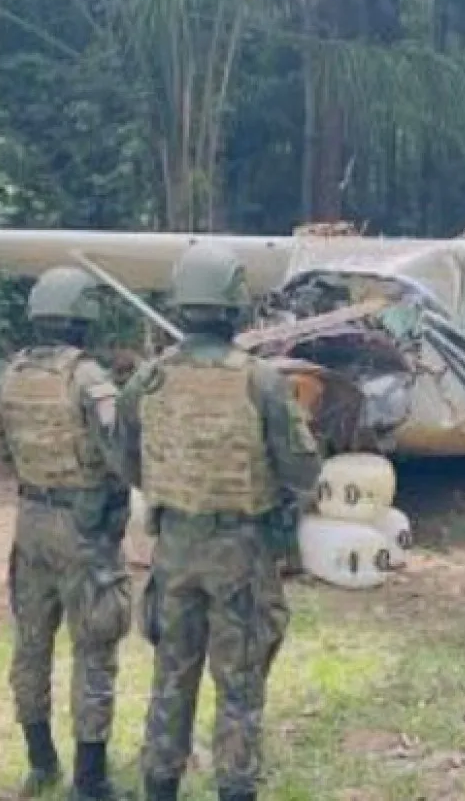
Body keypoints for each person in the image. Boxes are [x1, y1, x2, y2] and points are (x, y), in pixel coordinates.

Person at [109, 243, 323, 801]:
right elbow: (302, 468)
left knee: (171, 676)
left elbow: (123, 458)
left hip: (175, 548)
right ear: (235, 306)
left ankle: (160, 787)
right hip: (241, 553)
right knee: (240, 684)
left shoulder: (148, 380)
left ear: (180, 305)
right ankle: (235, 788)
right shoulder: (261, 381)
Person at [0, 267, 130, 800]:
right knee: (94, 647)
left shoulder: (10, 374)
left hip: (31, 520)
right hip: (84, 525)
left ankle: (40, 762)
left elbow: (4, 452)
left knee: (31, 643)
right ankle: (90, 780)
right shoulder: (89, 379)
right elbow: (122, 454)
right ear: (84, 316)